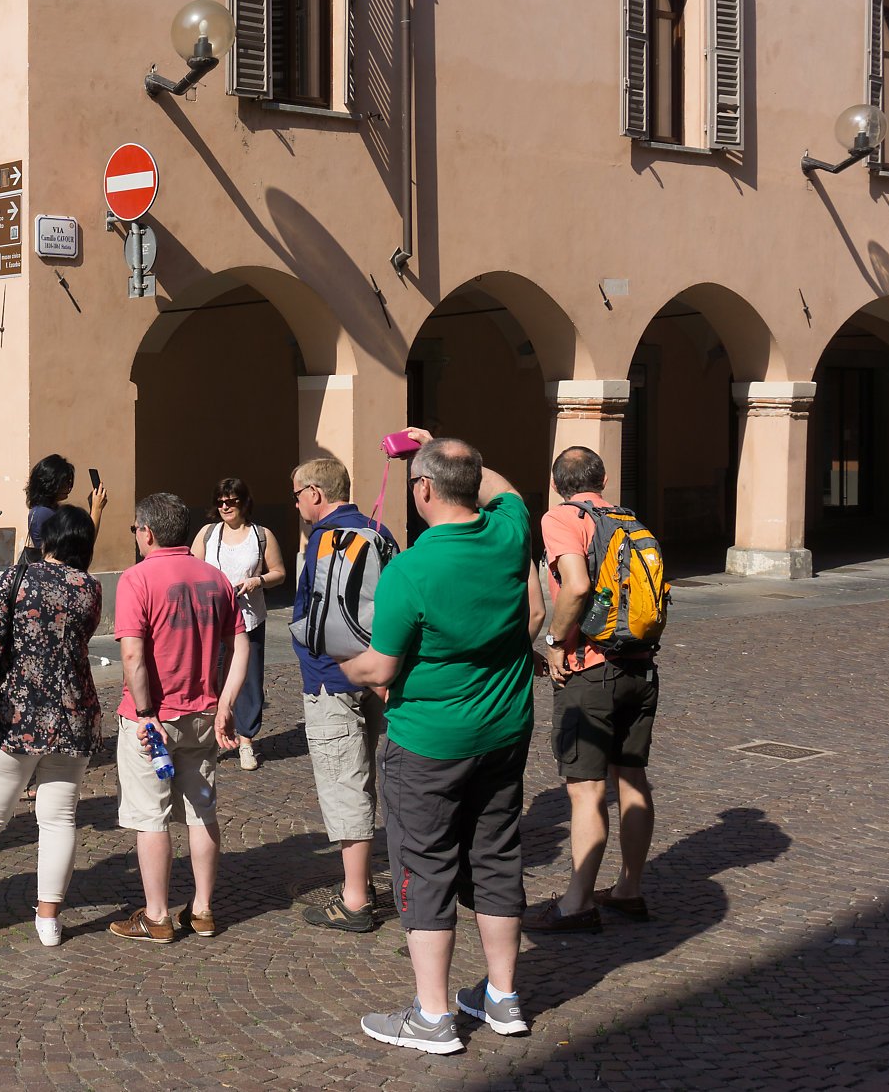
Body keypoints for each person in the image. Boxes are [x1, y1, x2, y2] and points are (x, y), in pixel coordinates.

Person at [340, 430, 538, 1055]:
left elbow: (380, 667)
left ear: (422, 489)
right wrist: (442, 442)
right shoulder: (509, 535)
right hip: (504, 731)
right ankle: (503, 997)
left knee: (425, 867)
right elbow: (506, 491)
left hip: (429, 743)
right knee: (497, 855)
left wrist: (342, 666)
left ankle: (432, 1015)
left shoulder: (411, 569)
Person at [0, 506, 104, 947]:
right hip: (73, 714)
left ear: (48, 539)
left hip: (17, 715)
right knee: (59, 818)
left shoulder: (16, 578)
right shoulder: (90, 587)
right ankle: (49, 920)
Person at [525, 447, 659, 934]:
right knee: (632, 780)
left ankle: (577, 904)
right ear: (602, 480)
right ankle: (629, 889)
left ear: (555, 484)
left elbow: (577, 586)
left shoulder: (563, 518)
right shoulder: (629, 520)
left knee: (586, 791)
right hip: (640, 667)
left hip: (591, 670)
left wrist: (555, 642)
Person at [108, 492, 239, 944]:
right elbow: (239, 645)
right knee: (202, 811)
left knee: (152, 816)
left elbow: (132, 654)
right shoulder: (215, 578)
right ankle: (202, 910)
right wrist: (225, 702)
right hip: (203, 712)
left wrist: (146, 713)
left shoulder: (136, 578)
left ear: (147, 532)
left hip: (153, 718)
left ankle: (157, 915)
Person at [272, 457, 395, 935]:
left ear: (315, 494)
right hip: (377, 671)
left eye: (297, 495)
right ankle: (367, 882)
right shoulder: (380, 532)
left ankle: (355, 898)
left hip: (332, 678)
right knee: (366, 775)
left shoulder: (323, 541)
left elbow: (315, 620)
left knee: (345, 784)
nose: (296, 504)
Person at [192, 477, 287, 771]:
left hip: (249, 619)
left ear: (244, 503)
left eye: (231, 501)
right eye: (220, 502)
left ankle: (246, 741)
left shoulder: (261, 535)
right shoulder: (208, 534)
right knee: (210, 678)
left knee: (248, 681)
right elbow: (191, 569)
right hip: (212, 620)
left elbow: (280, 573)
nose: (225, 506)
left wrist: (257, 581)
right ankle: (209, 739)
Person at [22, 453, 108, 560]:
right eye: (64, 482)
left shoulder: (51, 510)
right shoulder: (43, 513)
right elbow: (83, 547)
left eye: (69, 482)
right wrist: (96, 509)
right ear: (50, 483)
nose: (68, 487)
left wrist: (94, 508)